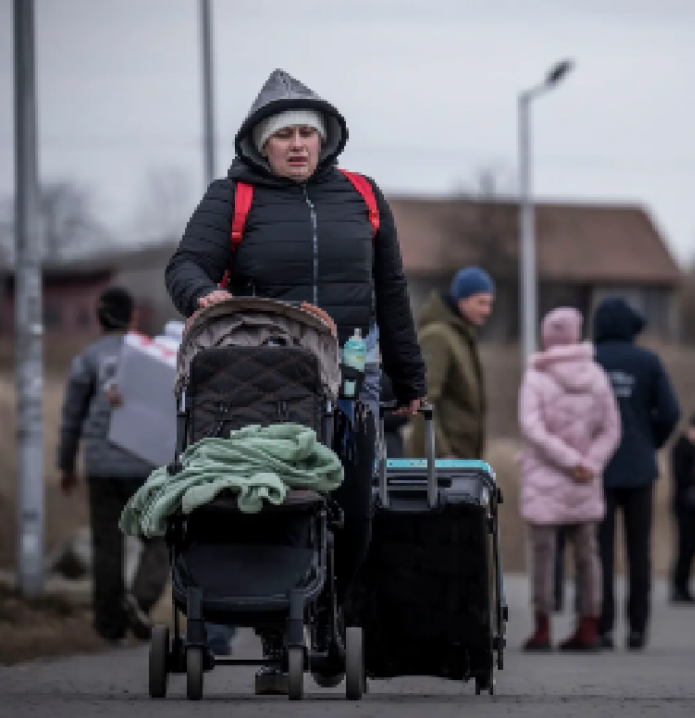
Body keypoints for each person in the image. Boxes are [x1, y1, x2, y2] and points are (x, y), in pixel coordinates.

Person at [165, 69, 427, 694]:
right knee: (276, 500)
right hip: (264, 373)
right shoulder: (231, 198)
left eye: (309, 132)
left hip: (353, 372)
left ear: (327, 138)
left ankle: (330, 614)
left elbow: (390, 289)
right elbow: (186, 264)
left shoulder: (362, 195)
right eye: (285, 136)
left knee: (355, 502)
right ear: (261, 143)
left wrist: (409, 377)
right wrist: (205, 295)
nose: (298, 144)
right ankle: (279, 637)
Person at [57, 287, 169, 647]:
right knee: (161, 536)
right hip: (146, 463)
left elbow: (72, 415)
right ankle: (140, 598)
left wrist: (66, 464)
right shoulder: (153, 355)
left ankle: (110, 626)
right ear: (134, 316)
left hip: (101, 463)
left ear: (99, 318)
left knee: (108, 543)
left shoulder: (87, 359)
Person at [518, 308, 622, 653]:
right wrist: (588, 462)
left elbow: (531, 427)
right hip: (585, 479)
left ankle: (542, 627)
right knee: (588, 555)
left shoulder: (536, 375)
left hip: (544, 476)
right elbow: (611, 429)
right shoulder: (596, 375)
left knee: (543, 554)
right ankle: (589, 627)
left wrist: (567, 460)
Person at [592, 297, 681, 650]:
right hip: (640, 468)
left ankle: (603, 626)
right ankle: (638, 628)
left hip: (596, 469)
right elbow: (671, 412)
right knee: (638, 550)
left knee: (600, 550)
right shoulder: (648, 362)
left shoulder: (589, 362)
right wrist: (650, 442)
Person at [407, 266, 494, 460]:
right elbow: (423, 400)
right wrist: (442, 453)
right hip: (439, 464)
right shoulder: (438, 337)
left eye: (489, 304)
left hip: (460, 459)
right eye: (481, 303)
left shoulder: (461, 337)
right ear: (462, 299)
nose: (487, 310)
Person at [668, 411, 695, 605]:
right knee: (685, 546)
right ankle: (679, 587)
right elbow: (682, 475)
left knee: (693, 546)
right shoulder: (683, 446)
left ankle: (684, 586)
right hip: (684, 503)